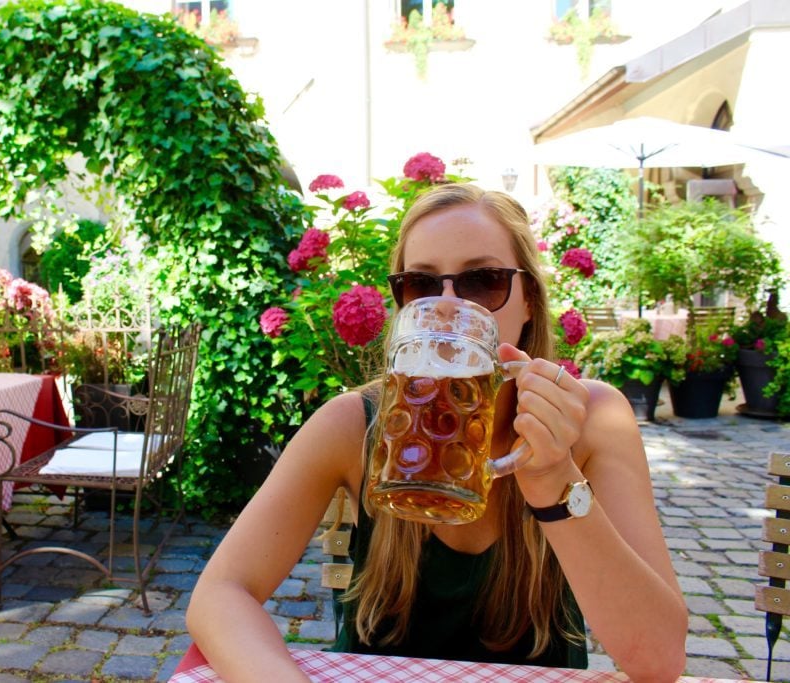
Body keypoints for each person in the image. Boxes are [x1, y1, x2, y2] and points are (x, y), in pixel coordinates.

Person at [186, 184, 688, 682]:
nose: (447, 307)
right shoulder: (351, 423)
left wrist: (555, 480)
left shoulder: (593, 419)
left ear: (530, 299)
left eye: (483, 281)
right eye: (420, 286)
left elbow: (659, 659)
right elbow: (220, 592)